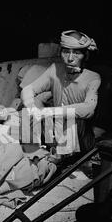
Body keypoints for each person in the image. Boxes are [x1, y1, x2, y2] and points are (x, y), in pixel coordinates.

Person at [20, 30, 101, 159]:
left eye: (76, 53)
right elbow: (28, 90)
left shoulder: (92, 77)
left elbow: (89, 109)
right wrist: (33, 108)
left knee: (72, 120)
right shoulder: (55, 70)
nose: (70, 58)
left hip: (79, 137)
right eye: (66, 51)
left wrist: (48, 112)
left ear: (85, 55)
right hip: (56, 131)